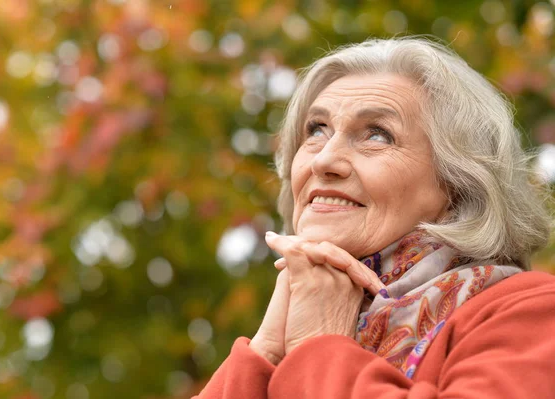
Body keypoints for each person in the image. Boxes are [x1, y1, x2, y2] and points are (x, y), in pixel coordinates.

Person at [194, 37, 555, 398]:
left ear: (458, 181)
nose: (323, 160)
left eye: (377, 135)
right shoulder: (287, 323)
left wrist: (319, 346)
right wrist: (265, 354)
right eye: (316, 130)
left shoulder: (533, 313)